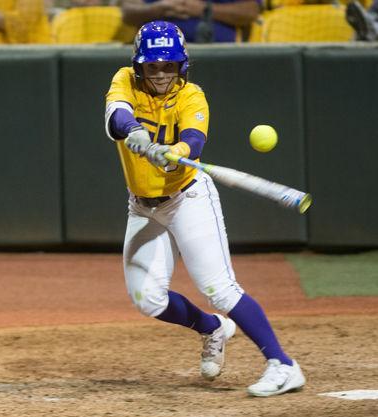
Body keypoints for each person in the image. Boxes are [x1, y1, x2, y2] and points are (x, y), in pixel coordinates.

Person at [104, 21, 305, 397]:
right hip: (142, 207)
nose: (161, 73)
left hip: (187, 198)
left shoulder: (192, 96)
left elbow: (193, 142)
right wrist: (135, 132)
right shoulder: (124, 81)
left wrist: (173, 153)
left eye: (169, 65)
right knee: (148, 299)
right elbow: (116, 115)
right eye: (152, 66)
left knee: (220, 289)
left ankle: (283, 365)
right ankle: (211, 328)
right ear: (139, 66)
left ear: (182, 65)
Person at [119, 0, 259, 42]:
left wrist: (203, 9)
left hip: (213, 53)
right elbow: (128, 12)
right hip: (156, 55)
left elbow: (250, 12)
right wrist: (156, 9)